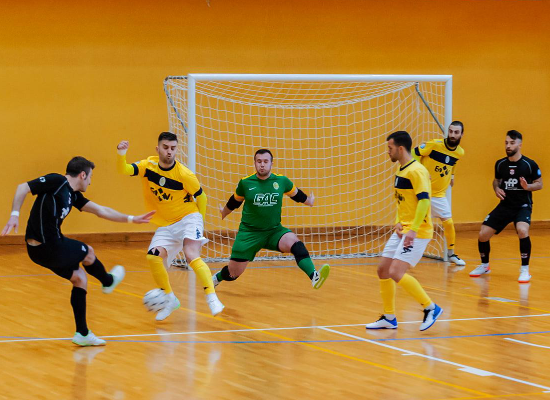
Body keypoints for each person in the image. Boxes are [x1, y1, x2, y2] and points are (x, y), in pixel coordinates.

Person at [1, 156, 154, 346]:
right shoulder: (57, 181)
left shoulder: (73, 196)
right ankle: (108, 281)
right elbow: (22, 187)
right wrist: (14, 215)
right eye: (90, 177)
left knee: (80, 278)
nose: (90, 182)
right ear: (82, 175)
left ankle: (82, 333)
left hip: (41, 250)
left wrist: (132, 219)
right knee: (88, 251)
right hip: (49, 246)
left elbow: (101, 211)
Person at [116, 132, 224, 321]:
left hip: (189, 218)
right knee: (153, 256)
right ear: (157, 149)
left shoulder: (184, 174)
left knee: (191, 254)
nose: (169, 151)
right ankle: (170, 299)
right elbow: (124, 169)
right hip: (167, 224)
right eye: (165, 147)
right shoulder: (147, 166)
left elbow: (202, 197)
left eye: (173, 148)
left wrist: (200, 222)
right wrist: (121, 153)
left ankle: (211, 297)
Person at [212, 149, 330, 290]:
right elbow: (234, 202)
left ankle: (314, 276)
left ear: (271, 164)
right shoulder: (246, 182)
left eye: (265, 161)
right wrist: (224, 212)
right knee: (233, 274)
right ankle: (217, 277)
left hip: (274, 231)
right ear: (255, 163)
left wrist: (309, 201)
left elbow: (296, 194)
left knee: (296, 243)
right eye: (259, 161)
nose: (262, 164)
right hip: (249, 234)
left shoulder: (281, 181)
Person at [366, 131, 443, 332]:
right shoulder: (401, 170)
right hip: (404, 229)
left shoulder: (416, 171)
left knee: (395, 272)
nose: (388, 151)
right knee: (383, 270)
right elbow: (403, 201)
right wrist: (398, 222)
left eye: (390, 148)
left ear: (400, 149)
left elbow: (424, 201)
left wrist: (413, 230)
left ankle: (430, 308)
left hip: (418, 231)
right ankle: (389, 317)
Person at [470, 130, 542, 283]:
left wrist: (527, 186)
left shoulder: (529, 164)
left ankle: (524, 270)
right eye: (506, 143)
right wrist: (496, 188)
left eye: (512, 143)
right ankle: (485, 265)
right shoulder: (500, 164)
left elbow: (539, 184)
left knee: (523, 230)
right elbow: (496, 180)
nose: (508, 146)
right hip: (505, 206)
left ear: (520, 145)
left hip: (522, 206)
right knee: (483, 234)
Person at [413, 121, 466, 266]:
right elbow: (414, 152)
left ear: (461, 134)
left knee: (448, 222)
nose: (452, 135)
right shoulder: (434, 145)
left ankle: (451, 254)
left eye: (456, 132)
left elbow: (453, 163)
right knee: (414, 224)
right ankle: (405, 252)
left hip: (439, 195)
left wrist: (452, 176)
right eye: (451, 131)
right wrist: (420, 172)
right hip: (423, 192)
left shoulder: (459, 152)